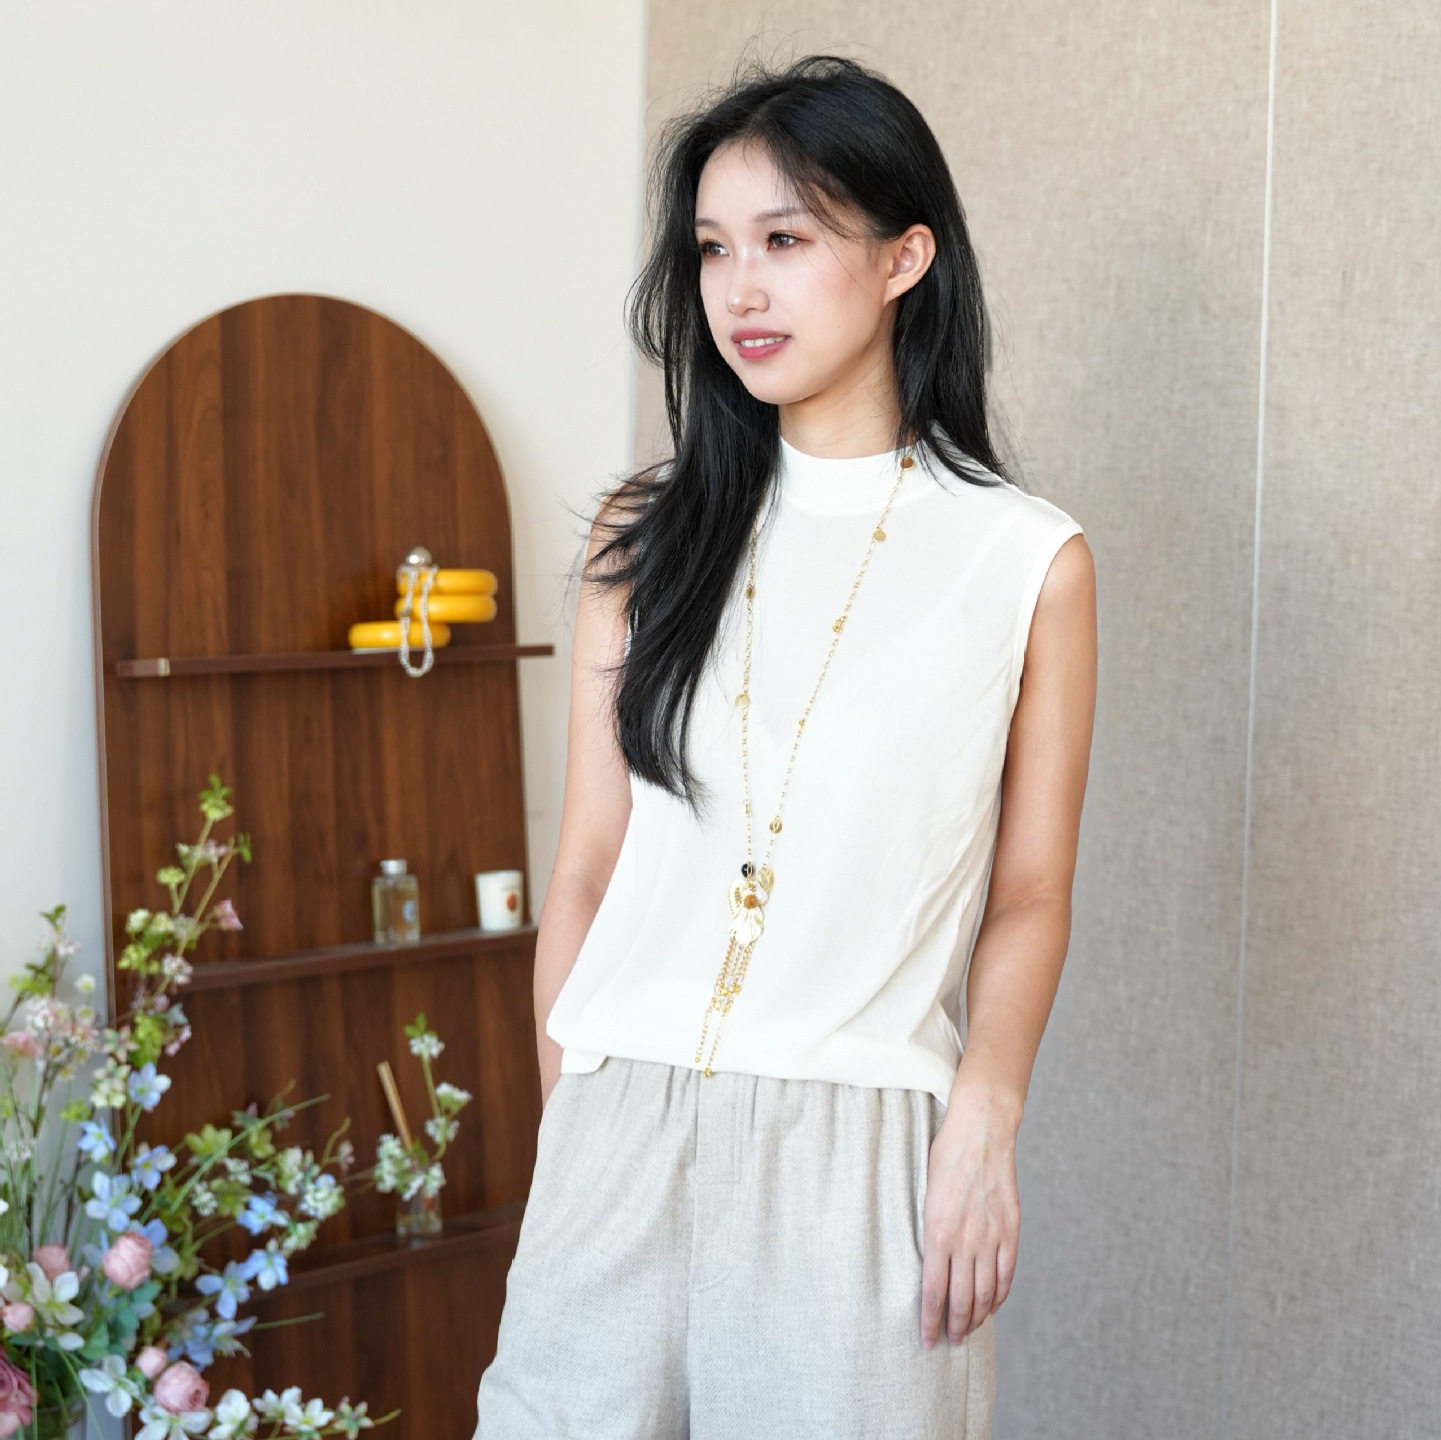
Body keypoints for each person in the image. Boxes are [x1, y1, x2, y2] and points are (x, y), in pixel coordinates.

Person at [473, 50, 1097, 1440]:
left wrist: (983, 1121)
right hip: (616, 1128)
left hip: (853, 1152)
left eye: (786, 240)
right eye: (712, 249)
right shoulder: (643, 539)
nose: (740, 290)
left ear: (903, 259)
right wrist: (571, 1119)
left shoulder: (1022, 561)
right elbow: (587, 865)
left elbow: (1030, 892)